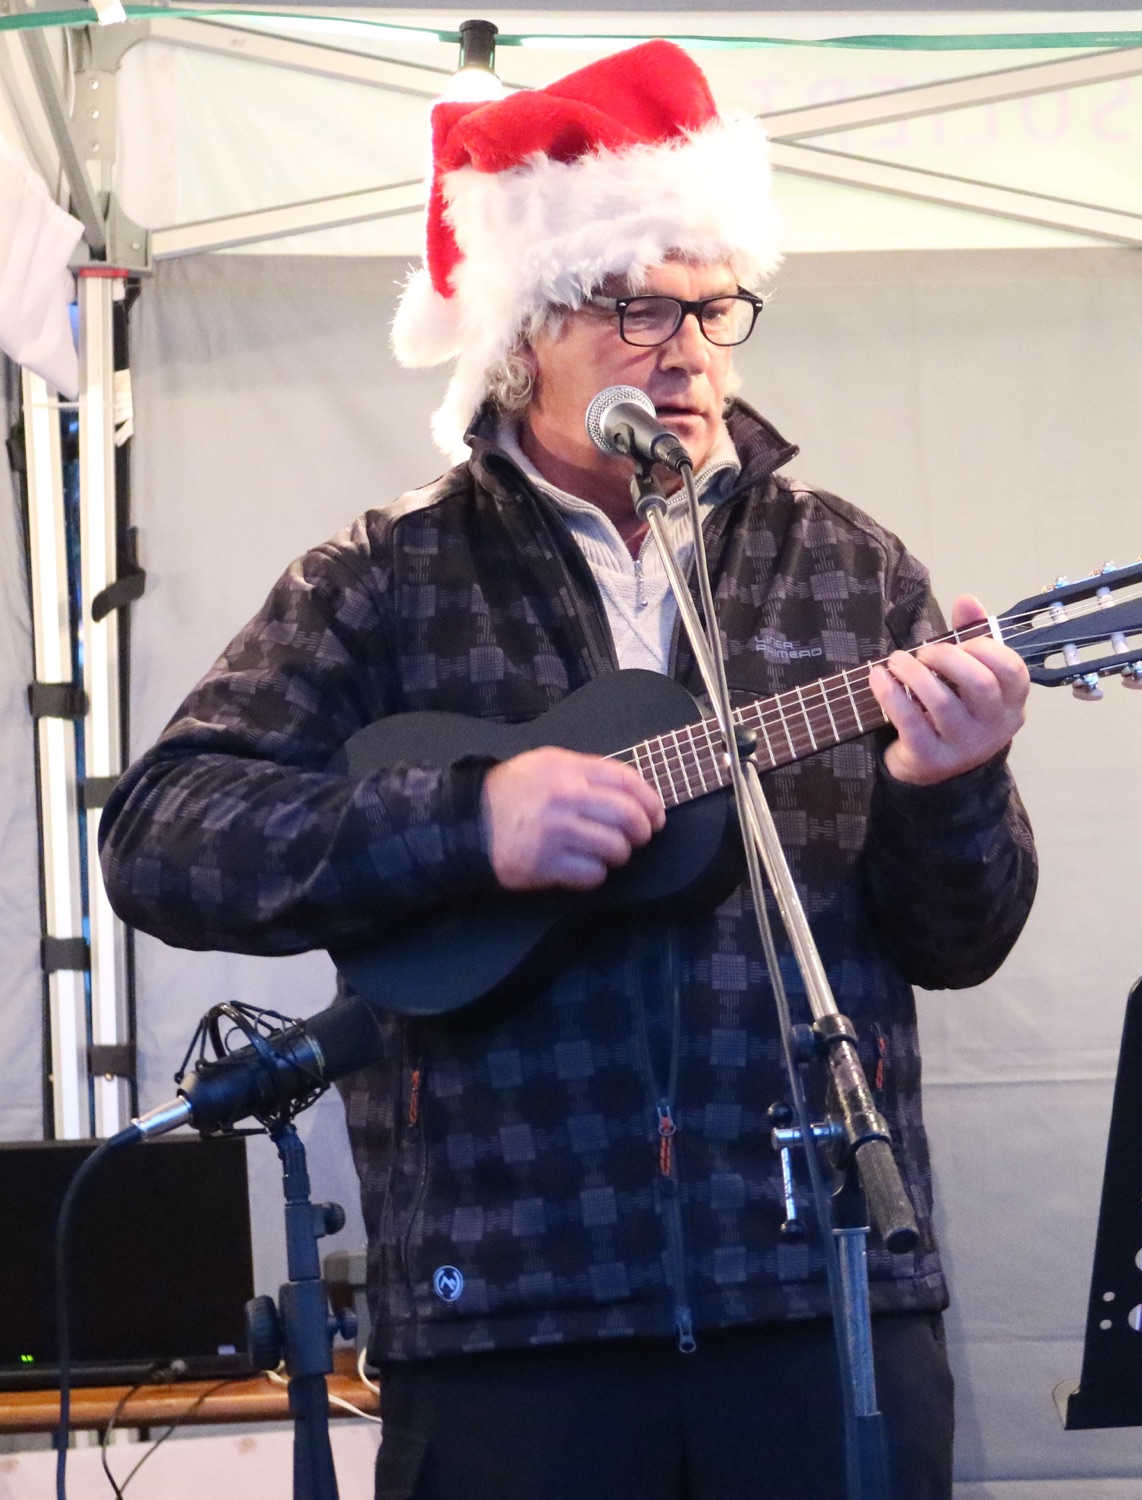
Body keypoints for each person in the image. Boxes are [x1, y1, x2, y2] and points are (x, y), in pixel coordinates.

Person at [98, 41, 1036, 1500]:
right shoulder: (384, 575)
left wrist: (948, 785)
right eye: (635, 307)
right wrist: (465, 821)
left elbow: (959, 941)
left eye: (713, 307)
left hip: (816, 1296)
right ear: (526, 333)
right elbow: (164, 833)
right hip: (508, 1320)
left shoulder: (848, 567)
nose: (686, 349)